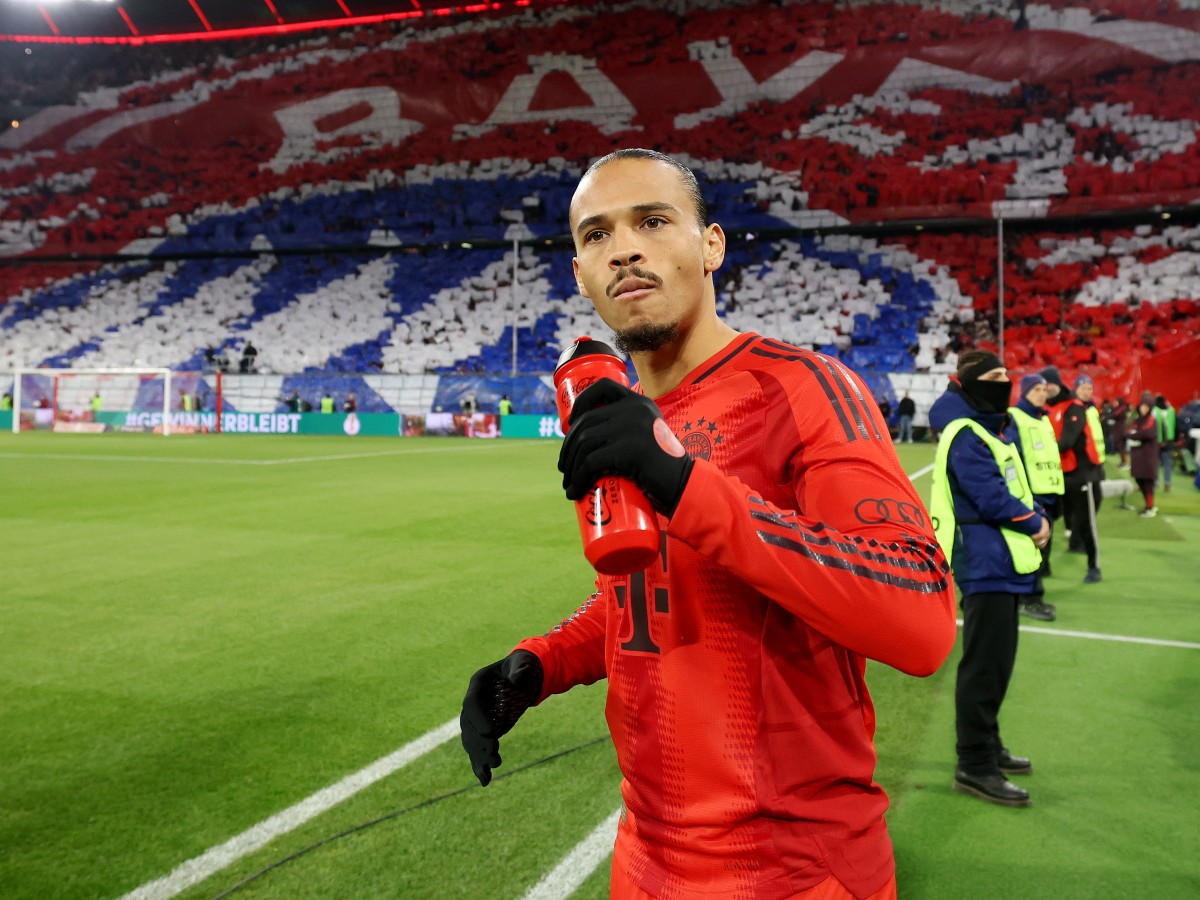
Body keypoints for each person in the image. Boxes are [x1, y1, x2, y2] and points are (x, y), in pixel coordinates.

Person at [459, 149, 958, 899]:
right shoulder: (621, 415)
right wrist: (542, 664)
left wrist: (683, 485)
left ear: (711, 246)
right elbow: (659, 592)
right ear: (579, 275)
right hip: (645, 859)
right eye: (596, 235)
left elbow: (921, 619)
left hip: (794, 872)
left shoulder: (803, 388)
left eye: (653, 221)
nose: (623, 247)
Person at [928, 351, 1050, 809]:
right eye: (996, 377)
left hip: (1002, 562)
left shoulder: (985, 428)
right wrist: (1033, 522)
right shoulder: (967, 433)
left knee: (997, 664)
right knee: (983, 665)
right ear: (973, 382)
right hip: (984, 562)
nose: (1006, 382)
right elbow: (990, 493)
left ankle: (988, 745)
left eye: (1007, 375)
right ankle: (974, 764)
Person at [1004, 373, 1063, 621]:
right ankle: (1029, 599)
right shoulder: (1015, 418)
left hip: (1048, 492)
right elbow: (1013, 458)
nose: (1042, 393)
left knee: (1042, 549)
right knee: (1030, 549)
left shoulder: (1043, 419)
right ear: (1025, 392)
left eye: (1044, 389)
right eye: (1037, 389)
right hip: (1030, 495)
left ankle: (1029, 596)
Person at [1042, 368, 1103, 583]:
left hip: (1080, 475)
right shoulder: (1047, 409)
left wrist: (1038, 450)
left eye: (1049, 385)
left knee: (1085, 522)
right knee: (1047, 520)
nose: (1047, 389)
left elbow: (1067, 441)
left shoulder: (1074, 407)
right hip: (1056, 475)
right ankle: (1043, 566)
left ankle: (1093, 566)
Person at [1126, 393, 1160, 517]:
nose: (1143, 409)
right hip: (1138, 456)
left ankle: (1150, 507)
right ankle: (1148, 505)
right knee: (1139, 480)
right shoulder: (1137, 420)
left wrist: (1134, 434)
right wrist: (1135, 434)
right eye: (1142, 406)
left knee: (1148, 483)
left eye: (1146, 407)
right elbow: (1128, 431)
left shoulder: (1152, 420)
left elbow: (1147, 434)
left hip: (1148, 457)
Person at [1153, 394, 1177, 493]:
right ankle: (1167, 483)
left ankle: (1156, 483)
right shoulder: (1172, 410)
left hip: (1157, 440)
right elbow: (1176, 425)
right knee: (1167, 464)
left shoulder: (1155, 411)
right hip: (1169, 441)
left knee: (1155, 463)